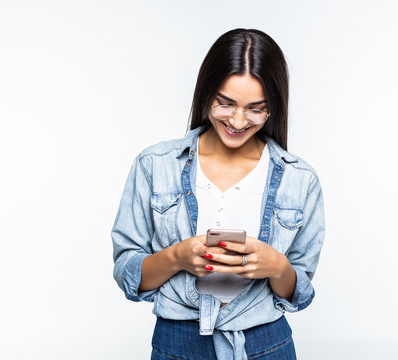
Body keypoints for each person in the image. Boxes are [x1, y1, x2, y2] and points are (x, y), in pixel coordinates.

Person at [111, 28, 325, 360]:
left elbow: (299, 291)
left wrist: (277, 266)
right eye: (225, 104)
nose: (238, 121)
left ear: (274, 108)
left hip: (266, 343)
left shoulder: (300, 179)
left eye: (257, 108)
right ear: (206, 92)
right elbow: (127, 271)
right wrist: (178, 256)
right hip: (177, 342)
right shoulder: (155, 165)